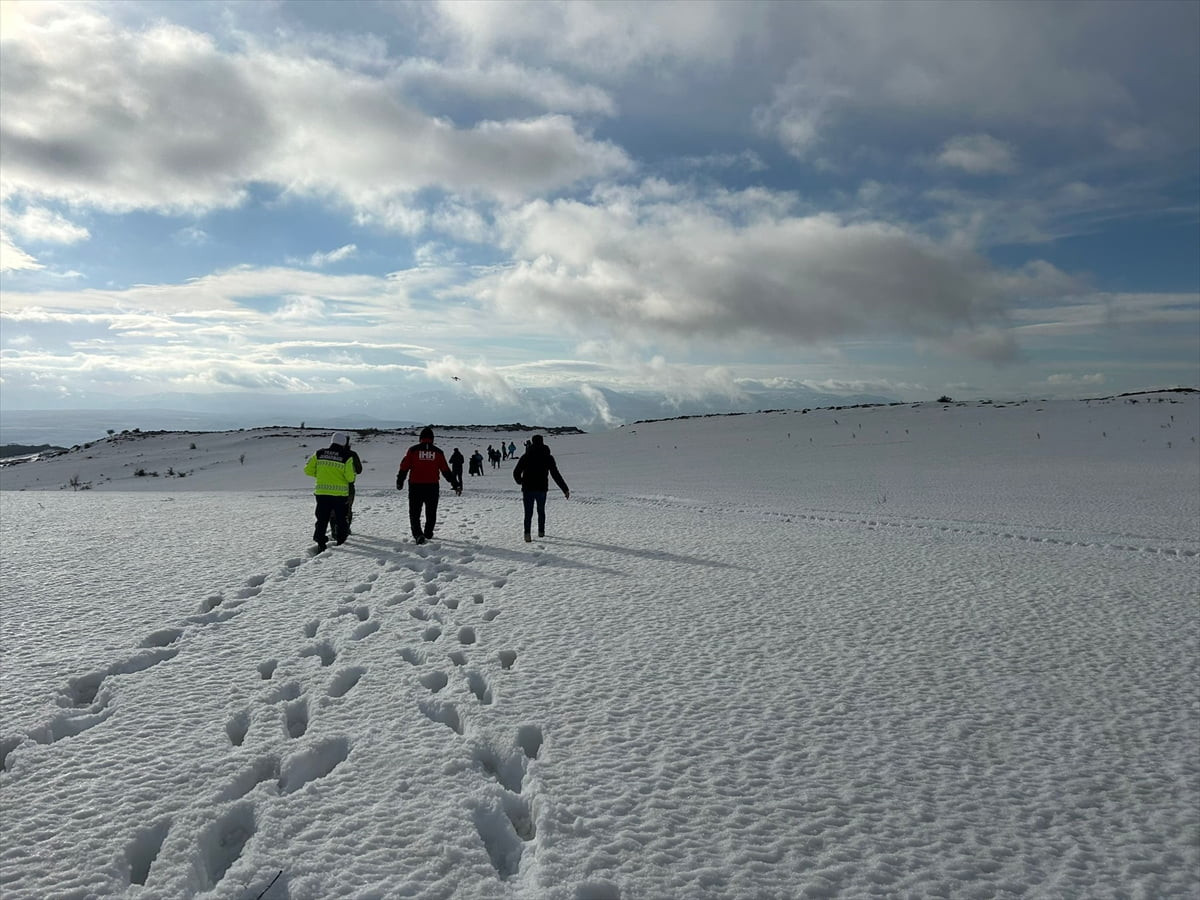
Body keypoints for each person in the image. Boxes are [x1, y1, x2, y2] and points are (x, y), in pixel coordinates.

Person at [396, 426, 462, 544]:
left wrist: (400, 480)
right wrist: (455, 484)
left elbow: (404, 467)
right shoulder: (438, 452)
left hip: (415, 486)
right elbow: (446, 470)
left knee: (414, 512)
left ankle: (418, 535)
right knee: (431, 511)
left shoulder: (413, 450)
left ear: (420, 438)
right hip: (432, 486)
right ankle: (428, 532)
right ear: (432, 439)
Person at [304, 431, 357, 552]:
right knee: (341, 519)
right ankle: (341, 540)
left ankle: (320, 541)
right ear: (343, 443)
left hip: (322, 493)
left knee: (322, 519)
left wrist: (320, 475)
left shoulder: (319, 453)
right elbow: (350, 477)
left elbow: (307, 470)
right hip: (340, 495)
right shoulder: (346, 457)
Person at [513, 433, 570, 542]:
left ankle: (527, 535)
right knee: (541, 511)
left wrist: (520, 481)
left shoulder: (526, 456)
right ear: (542, 442)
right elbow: (555, 474)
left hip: (528, 488)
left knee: (528, 513)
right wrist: (565, 489)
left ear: (532, 442)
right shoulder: (548, 457)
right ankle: (541, 532)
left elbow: (516, 472)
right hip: (541, 488)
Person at [345, 435, 363, 534]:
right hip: (349, 486)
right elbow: (359, 470)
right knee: (347, 509)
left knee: (333, 511)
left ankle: (335, 529)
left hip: (331, 486)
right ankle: (346, 528)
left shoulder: (330, 454)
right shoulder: (352, 454)